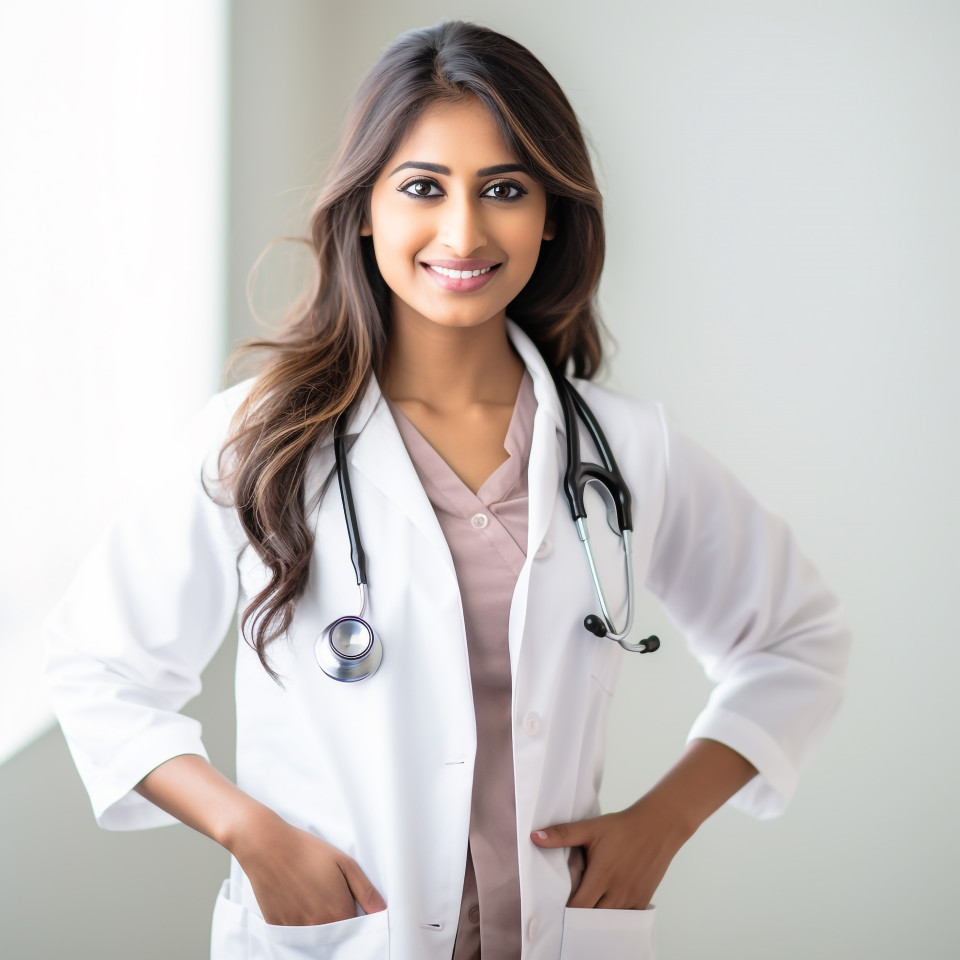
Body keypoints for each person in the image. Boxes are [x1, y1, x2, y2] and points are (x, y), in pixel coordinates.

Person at [44, 20, 850, 960]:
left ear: (551, 215)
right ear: (365, 208)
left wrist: (663, 822)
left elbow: (798, 642)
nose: (463, 232)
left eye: (504, 189)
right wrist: (249, 833)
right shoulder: (260, 436)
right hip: (341, 935)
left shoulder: (627, 450)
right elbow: (98, 669)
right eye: (423, 187)